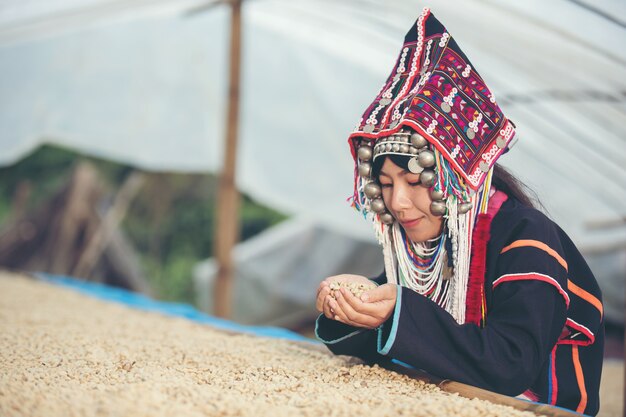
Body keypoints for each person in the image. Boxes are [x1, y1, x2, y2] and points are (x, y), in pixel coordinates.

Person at [314, 8, 604, 416]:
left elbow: (511, 365)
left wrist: (398, 309)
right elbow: (398, 326)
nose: (397, 202)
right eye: (386, 183)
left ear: (460, 177)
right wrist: (351, 308)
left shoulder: (528, 240)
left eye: (415, 182)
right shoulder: (429, 248)